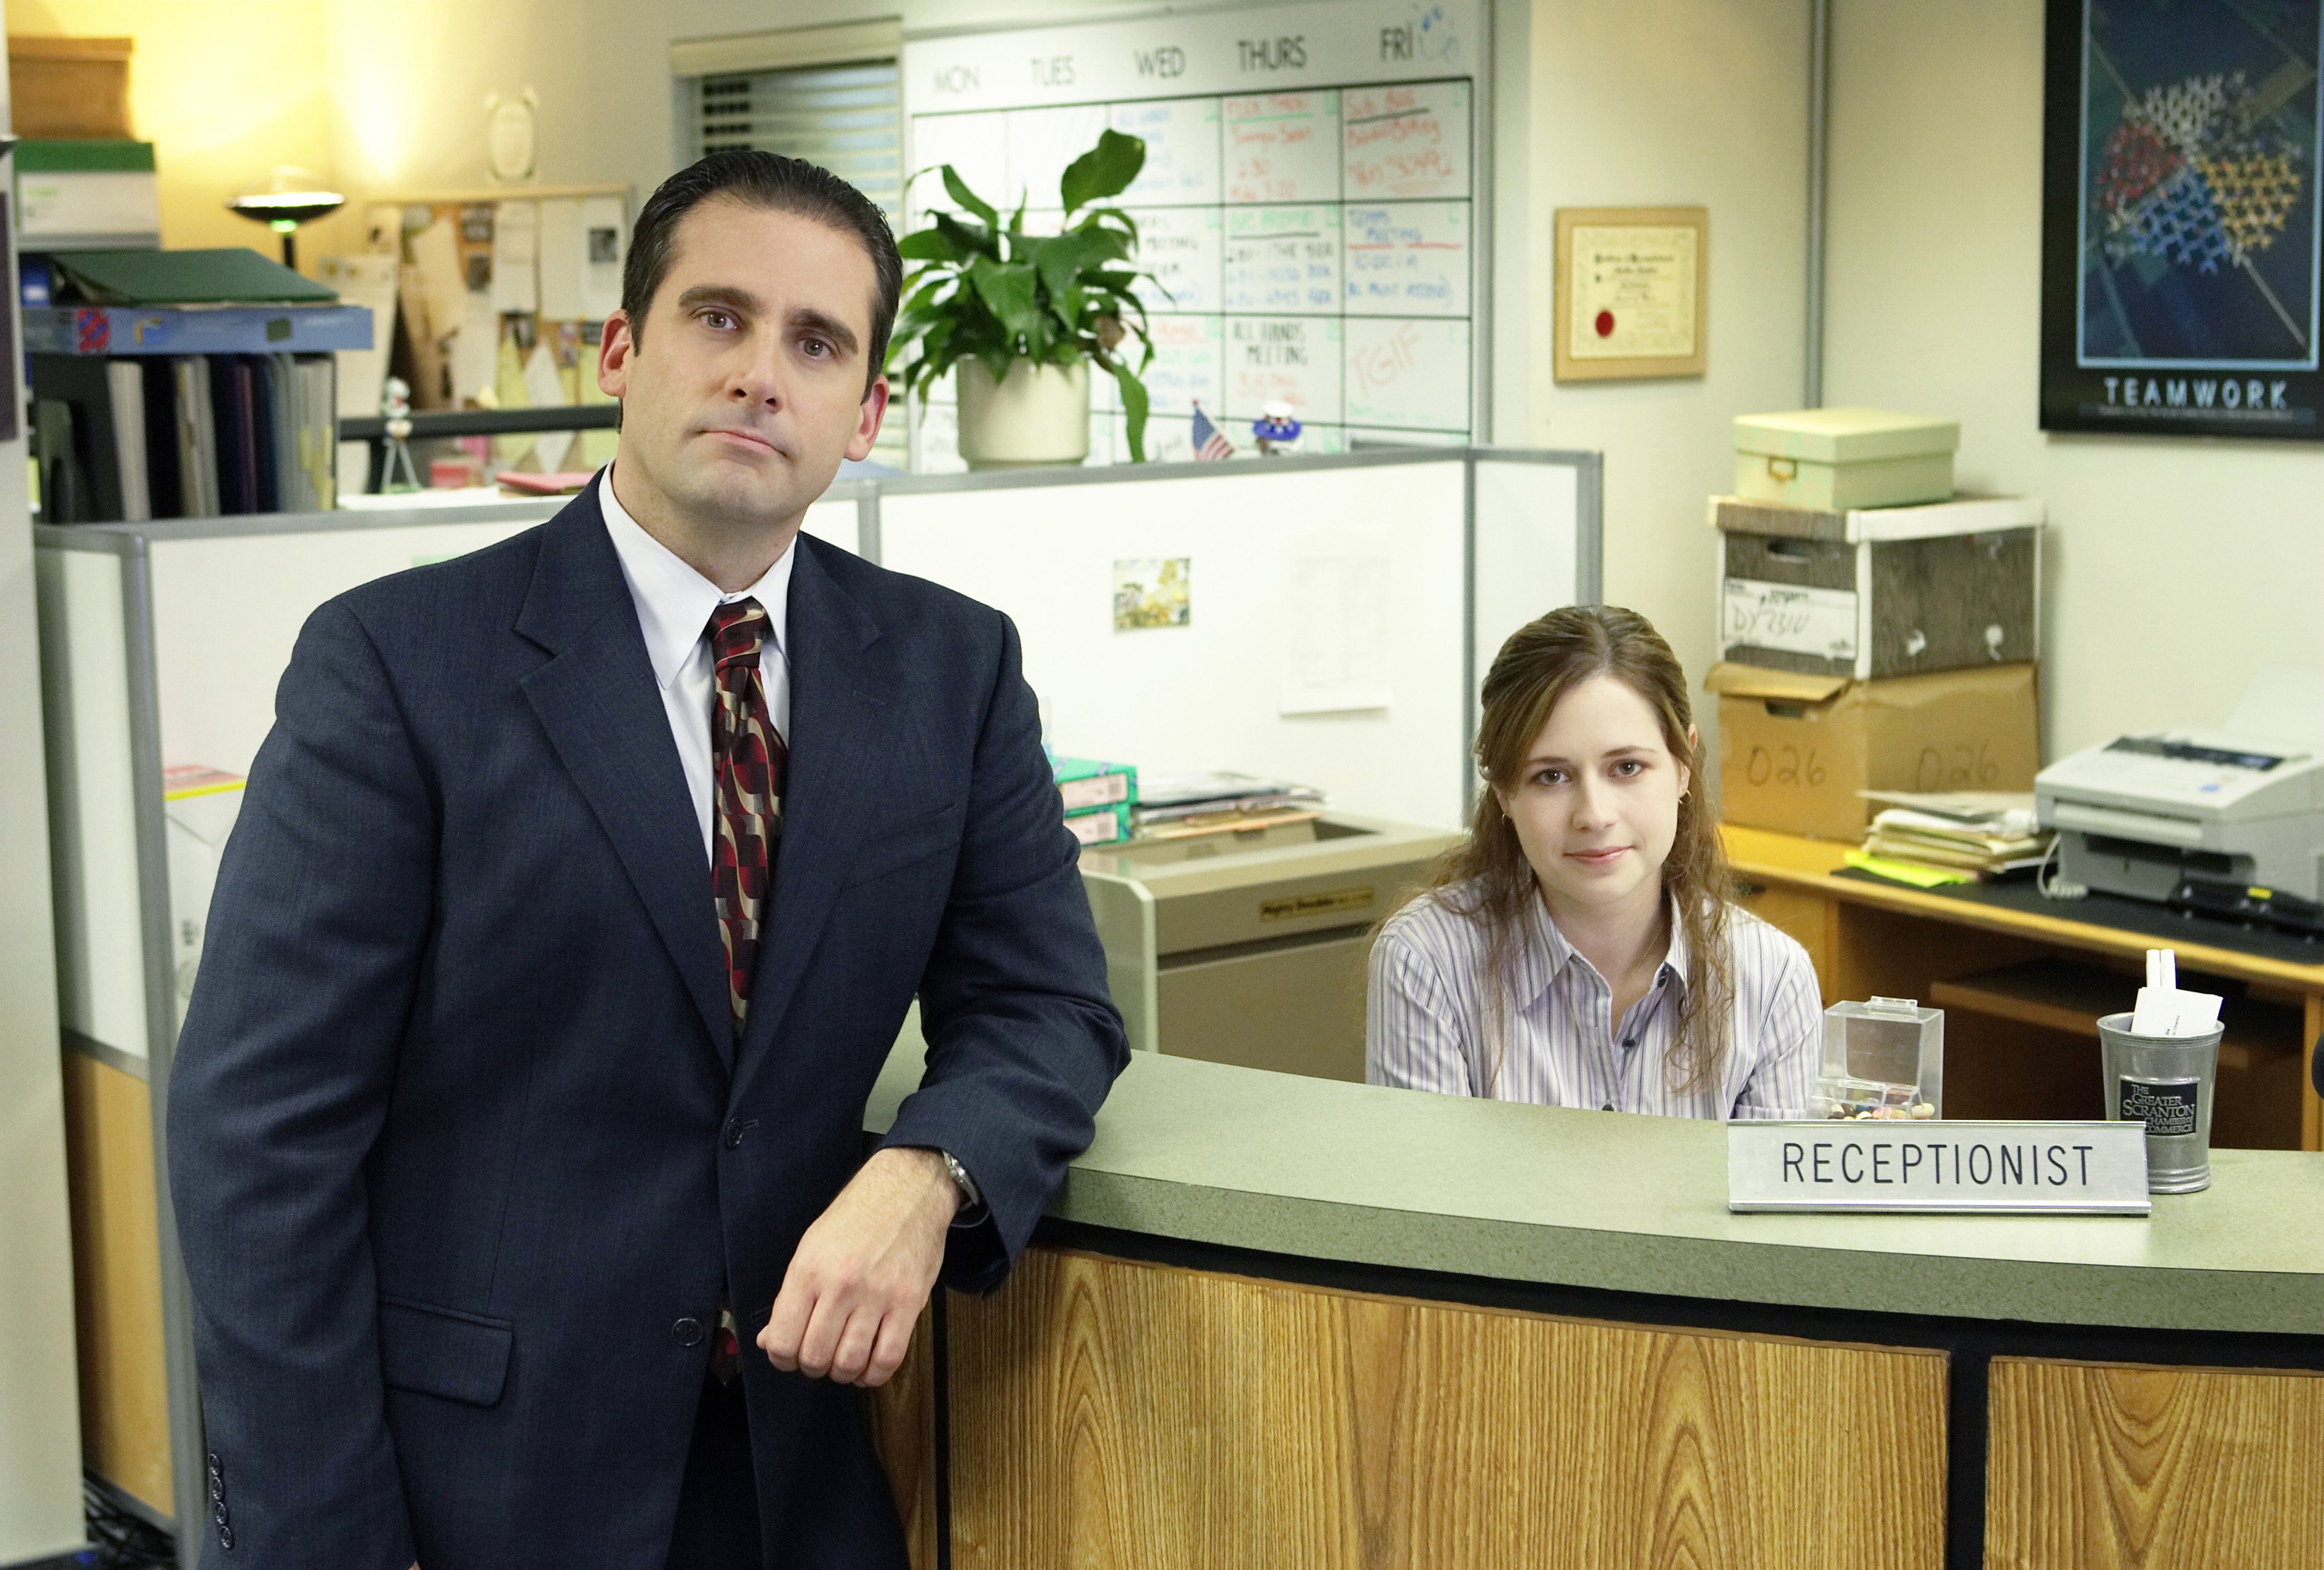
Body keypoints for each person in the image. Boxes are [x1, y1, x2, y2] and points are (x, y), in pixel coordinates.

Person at [166, 151, 1128, 1570]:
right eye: (718, 319)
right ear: (624, 350)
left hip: (800, 1476)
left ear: (864, 414)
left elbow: (1052, 1008)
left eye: (816, 344)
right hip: (478, 1489)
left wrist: (926, 1174)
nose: (759, 376)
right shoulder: (398, 665)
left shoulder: (951, 670)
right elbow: (258, 1140)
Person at [1367, 605, 1817, 1116]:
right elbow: (1424, 1193)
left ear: (1683, 765)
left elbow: (1767, 1199)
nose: (1594, 814)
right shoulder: (1427, 962)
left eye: (1627, 767)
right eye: (1551, 776)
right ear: (1504, 793)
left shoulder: (1773, 978)